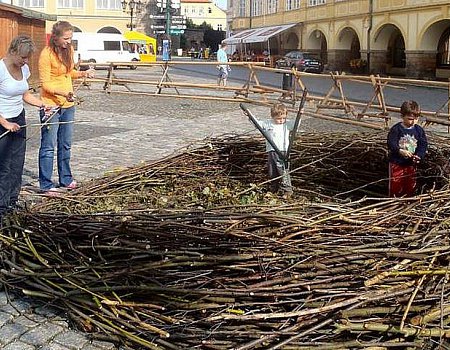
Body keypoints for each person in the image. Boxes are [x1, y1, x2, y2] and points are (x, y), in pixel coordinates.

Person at [38, 21, 94, 194]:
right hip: (51, 105)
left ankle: (66, 179)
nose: (69, 42)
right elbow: (45, 84)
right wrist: (62, 92)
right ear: (55, 38)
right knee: (48, 146)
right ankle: (46, 184)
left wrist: (83, 73)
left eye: (71, 38)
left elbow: (69, 73)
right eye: (66, 38)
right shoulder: (46, 55)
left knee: (66, 144)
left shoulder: (68, 50)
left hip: (68, 105)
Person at [0, 35, 47, 218]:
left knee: (17, 163)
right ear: (12, 52)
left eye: (28, 58)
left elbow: (25, 94)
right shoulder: (1, 69)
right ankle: (1, 207)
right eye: (23, 57)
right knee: (3, 166)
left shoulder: (24, 69)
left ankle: (12, 201)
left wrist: (41, 104)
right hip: (3, 121)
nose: (25, 61)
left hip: (19, 118)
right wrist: (4, 123)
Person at [251, 103, 297, 196]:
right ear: (273, 116)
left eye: (283, 118)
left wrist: (300, 114)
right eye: (279, 119)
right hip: (271, 151)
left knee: (283, 170)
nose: (281, 120)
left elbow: (296, 124)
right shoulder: (268, 123)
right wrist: (250, 116)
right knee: (272, 170)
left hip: (283, 152)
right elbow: (257, 124)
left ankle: (287, 190)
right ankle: (274, 188)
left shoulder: (287, 124)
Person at [387, 100, 428, 197]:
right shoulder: (396, 129)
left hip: (411, 164)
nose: (413, 121)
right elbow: (391, 143)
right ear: (402, 116)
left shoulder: (419, 130)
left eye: (416, 119)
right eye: (410, 119)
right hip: (396, 163)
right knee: (395, 184)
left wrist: (419, 156)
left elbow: (423, 144)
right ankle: (393, 201)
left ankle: (407, 201)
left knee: (410, 184)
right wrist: (399, 150)